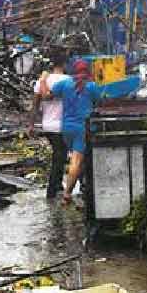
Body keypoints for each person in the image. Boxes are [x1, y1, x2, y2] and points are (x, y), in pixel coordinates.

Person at [48, 59, 103, 206]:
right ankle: (67, 194)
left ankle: (83, 188)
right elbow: (99, 103)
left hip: (66, 127)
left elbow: (49, 94)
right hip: (82, 128)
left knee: (76, 159)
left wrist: (42, 80)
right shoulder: (91, 86)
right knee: (76, 161)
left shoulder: (65, 84)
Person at [29, 47, 70, 199]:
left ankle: (57, 186)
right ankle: (52, 192)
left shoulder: (42, 81)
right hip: (63, 126)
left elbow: (35, 106)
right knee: (60, 158)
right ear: (65, 63)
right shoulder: (68, 81)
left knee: (59, 156)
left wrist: (31, 125)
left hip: (47, 126)